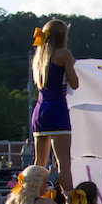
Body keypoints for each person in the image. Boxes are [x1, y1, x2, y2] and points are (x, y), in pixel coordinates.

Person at [31, 19, 79, 192]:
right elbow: (74, 84)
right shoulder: (63, 55)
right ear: (62, 36)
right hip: (57, 107)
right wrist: (70, 63)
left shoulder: (38, 57)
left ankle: (32, 198)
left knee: (39, 162)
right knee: (63, 162)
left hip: (39, 110)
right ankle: (69, 201)